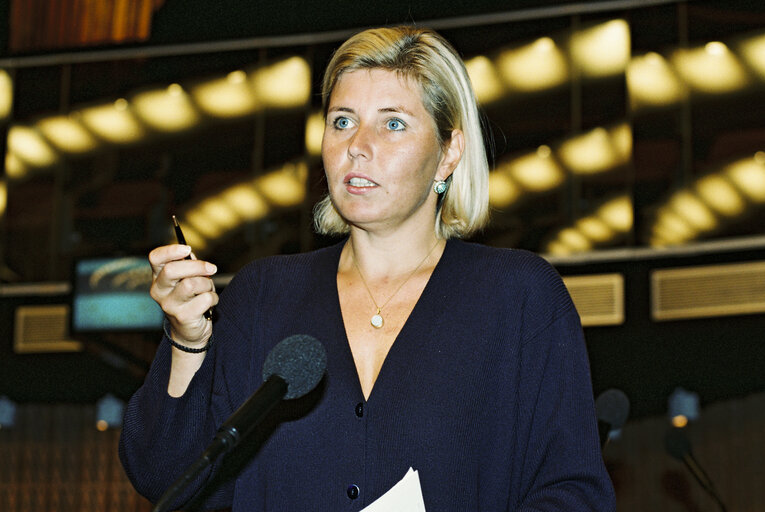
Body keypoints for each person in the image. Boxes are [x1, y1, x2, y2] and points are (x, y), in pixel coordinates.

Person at [119, 26, 616, 511]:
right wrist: (187, 340)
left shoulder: (520, 296)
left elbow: (573, 492)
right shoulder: (263, 295)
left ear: (449, 153)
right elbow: (168, 482)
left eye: (393, 122)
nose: (358, 143)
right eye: (342, 121)